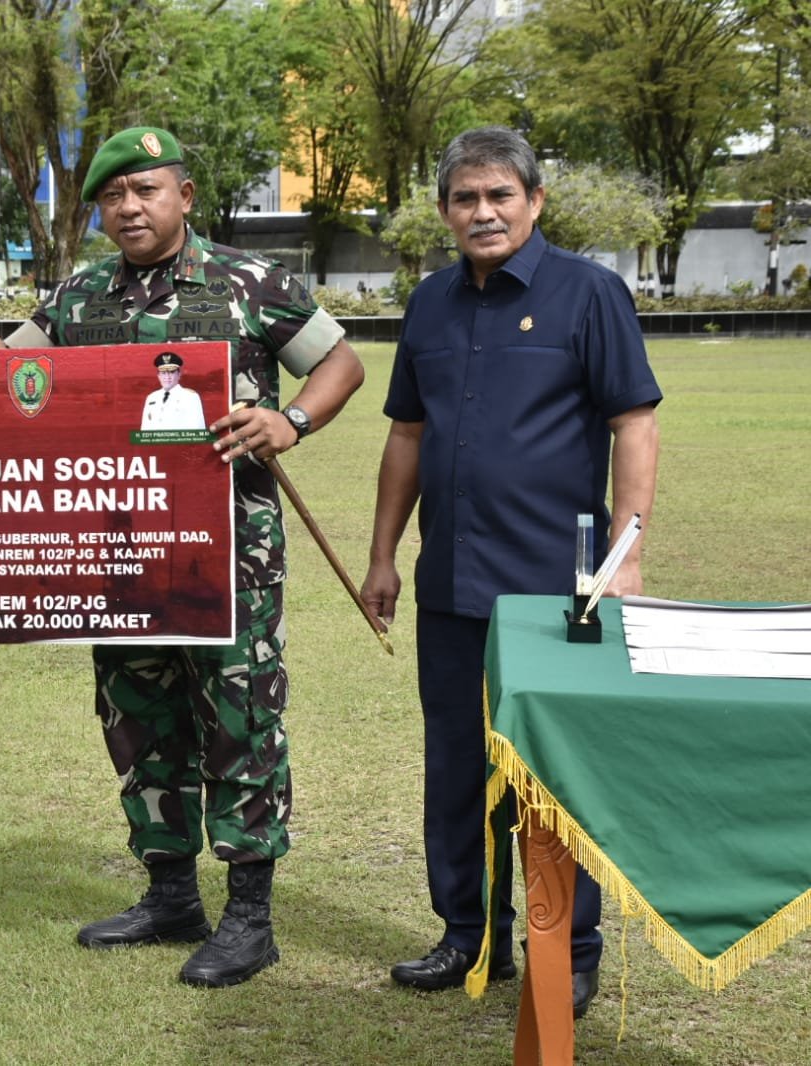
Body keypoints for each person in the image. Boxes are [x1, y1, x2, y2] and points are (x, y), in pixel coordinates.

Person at [0, 126, 364, 988]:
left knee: (237, 718)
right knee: (137, 714)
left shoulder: (249, 281)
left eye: (146, 191)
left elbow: (339, 362)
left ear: (184, 197)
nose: (129, 208)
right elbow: (8, 383)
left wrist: (290, 421)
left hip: (227, 552)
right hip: (117, 549)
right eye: (112, 197)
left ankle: (249, 918)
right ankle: (170, 895)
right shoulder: (79, 295)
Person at [361, 126, 662, 1019]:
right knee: (454, 766)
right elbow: (405, 437)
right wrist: (383, 555)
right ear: (445, 210)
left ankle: (566, 947)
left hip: (557, 588)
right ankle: (466, 934)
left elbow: (633, 423)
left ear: (533, 202)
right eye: (464, 198)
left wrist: (628, 548)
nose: (481, 212)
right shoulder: (428, 303)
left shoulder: (590, 294)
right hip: (449, 583)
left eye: (498, 195)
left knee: (554, 772)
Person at [138, 350, 205, 431]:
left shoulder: (190, 397)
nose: (167, 377)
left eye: (171, 372)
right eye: (163, 373)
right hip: (154, 443)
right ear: (158, 376)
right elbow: (145, 430)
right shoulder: (151, 397)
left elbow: (198, 430)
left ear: (179, 374)